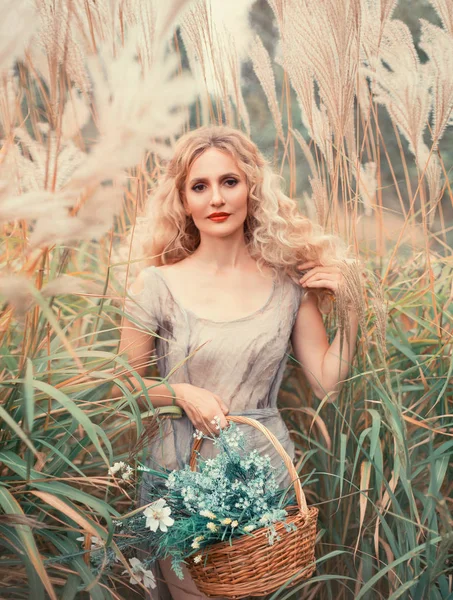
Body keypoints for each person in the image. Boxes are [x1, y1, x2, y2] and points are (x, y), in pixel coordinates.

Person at [116, 125, 360, 599]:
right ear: (183, 201)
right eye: (199, 186)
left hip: (265, 475)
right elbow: (121, 383)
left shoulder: (289, 284)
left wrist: (350, 308)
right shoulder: (155, 284)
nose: (216, 199)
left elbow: (326, 381)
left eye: (229, 181)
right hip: (178, 478)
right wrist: (179, 392)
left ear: (252, 188)